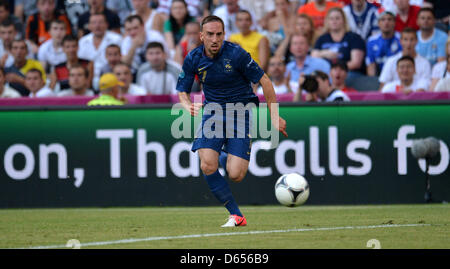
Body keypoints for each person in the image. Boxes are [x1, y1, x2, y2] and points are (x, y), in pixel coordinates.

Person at [176, 15, 287, 227]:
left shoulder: (236, 54)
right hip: (213, 113)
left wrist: (274, 116)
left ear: (224, 34)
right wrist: (186, 104)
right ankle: (236, 215)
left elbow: (265, 81)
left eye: (219, 34)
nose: (215, 39)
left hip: (241, 113)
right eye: (210, 34)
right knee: (207, 165)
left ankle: (223, 151)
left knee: (235, 174)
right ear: (201, 36)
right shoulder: (193, 58)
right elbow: (182, 89)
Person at [311, 7, 366, 76]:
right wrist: (324, 53)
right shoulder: (322, 39)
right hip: (326, 74)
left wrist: (336, 71)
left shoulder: (354, 38)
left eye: (337, 18)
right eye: (331, 19)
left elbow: (356, 63)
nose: (334, 21)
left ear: (344, 20)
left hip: (349, 73)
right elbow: (313, 58)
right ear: (327, 21)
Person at [77, 13, 122, 91]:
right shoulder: (83, 41)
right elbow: (81, 63)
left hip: (111, 78)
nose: (97, 26)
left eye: (100, 22)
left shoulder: (117, 39)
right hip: (88, 80)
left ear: (107, 24)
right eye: (94, 23)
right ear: (89, 26)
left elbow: (122, 59)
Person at [365, 10, 402, 76]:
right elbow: (371, 65)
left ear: (394, 23)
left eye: (389, 19)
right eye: (383, 19)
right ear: (378, 23)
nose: (386, 22)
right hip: (378, 76)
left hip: (397, 75)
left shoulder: (401, 39)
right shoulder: (371, 41)